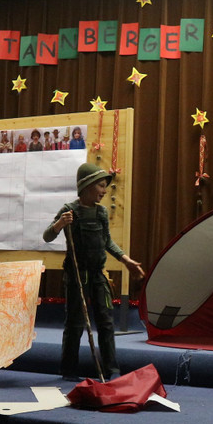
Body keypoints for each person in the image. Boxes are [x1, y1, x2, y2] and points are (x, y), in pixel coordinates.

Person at [43, 162, 145, 380]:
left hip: (98, 276)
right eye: (101, 186)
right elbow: (47, 236)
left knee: (106, 323)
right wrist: (60, 223)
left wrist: (126, 260)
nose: (104, 191)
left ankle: (112, 370)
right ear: (87, 186)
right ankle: (69, 370)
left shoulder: (101, 212)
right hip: (76, 276)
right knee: (75, 323)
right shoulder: (69, 210)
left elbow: (107, 241)